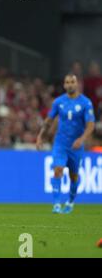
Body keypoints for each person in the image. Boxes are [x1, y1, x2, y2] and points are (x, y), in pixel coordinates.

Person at [36, 74, 95, 214]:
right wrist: (40, 136)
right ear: (64, 85)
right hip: (60, 143)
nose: (70, 85)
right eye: (67, 82)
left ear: (77, 84)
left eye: (72, 82)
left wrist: (81, 139)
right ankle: (56, 204)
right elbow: (49, 120)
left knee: (73, 176)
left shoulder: (85, 103)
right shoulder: (58, 102)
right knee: (58, 169)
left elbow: (90, 125)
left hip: (76, 145)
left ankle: (70, 201)